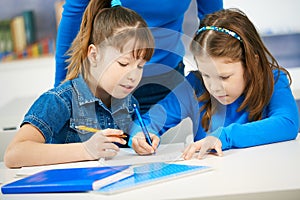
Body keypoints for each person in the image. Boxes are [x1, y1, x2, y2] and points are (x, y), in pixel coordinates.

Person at [129, 8, 299, 159]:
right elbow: (148, 121)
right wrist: (140, 135)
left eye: (224, 77)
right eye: (206, 75)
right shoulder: (195, 85)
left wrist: (224, 136)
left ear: (251, 64)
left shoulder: (274, 80)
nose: (214, 87)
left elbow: (288, 123)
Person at [4, 0, 154, 168]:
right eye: (124, 64)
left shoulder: (128, 103)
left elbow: (125, 145)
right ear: (94, 55)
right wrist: (85, 150)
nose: (133, 76)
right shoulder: (60, 101)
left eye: (140, 66)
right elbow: (14, 154)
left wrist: (137, 138)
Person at [54, 0, 223, 114]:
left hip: (166, 82)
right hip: (106, 86)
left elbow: (214, 24)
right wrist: (61, 93)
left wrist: (219, 80)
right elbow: (73, 16)